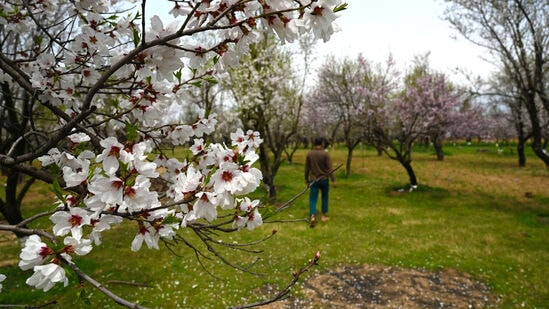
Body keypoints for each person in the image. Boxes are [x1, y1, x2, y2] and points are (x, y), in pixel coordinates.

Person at [305, 137, 336, 227]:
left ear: (314, 143)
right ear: (321, 144)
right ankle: (323, 216)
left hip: (314, 180)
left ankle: (313, 216)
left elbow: (307, 168)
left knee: (312, 198)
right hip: (324, 179)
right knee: (324, 197)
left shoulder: (310, 154)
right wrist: (333, 180)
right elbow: (330, 168)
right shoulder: (325, 154)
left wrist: (306, 179)